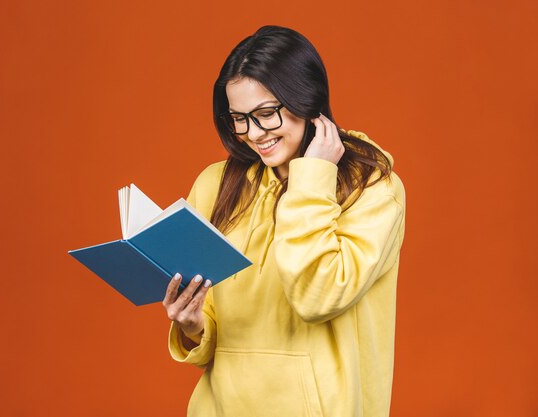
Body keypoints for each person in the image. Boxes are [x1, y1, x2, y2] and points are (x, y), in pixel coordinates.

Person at [161, 25, 406, 417]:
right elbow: (213, 323)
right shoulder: (214, 185)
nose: (253, 134)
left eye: (265, 114)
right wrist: (193, 326)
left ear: (307, 99)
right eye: (239, 118)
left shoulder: (372, 189)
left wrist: (311, 178)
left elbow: (318, 297)